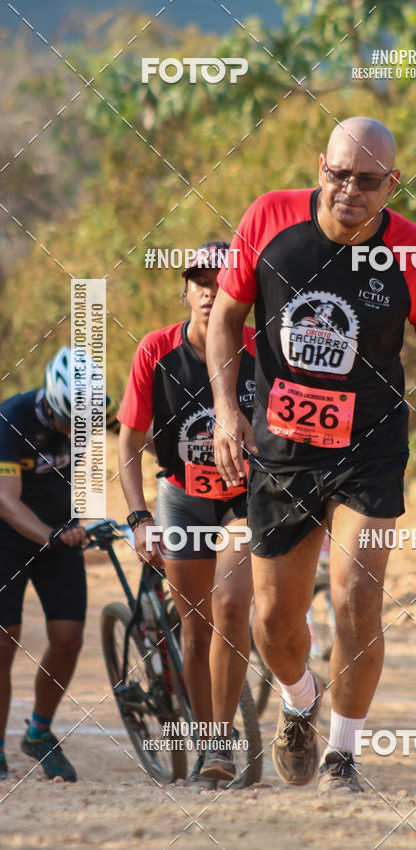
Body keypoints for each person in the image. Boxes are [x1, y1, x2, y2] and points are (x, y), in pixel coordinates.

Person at [207, 117, 416, 794]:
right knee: (272, 620)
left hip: (370, 448)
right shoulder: (268, 218)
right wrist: (230, 411)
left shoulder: (414, 252)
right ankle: (300, 701)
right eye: (339, 174)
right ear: (320, 165)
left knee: (356, 598)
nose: (350, 190)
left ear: (393, 184)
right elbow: (225, 319)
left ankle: (342, 757)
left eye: (368, 181)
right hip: (281, 447)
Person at [117, 241, 256, 788]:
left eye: (219, 282)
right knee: (195, 633)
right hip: (182, 495)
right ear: (186, 290)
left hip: (245, 496)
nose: (208, 292)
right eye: (199, 282)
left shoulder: (258, 347)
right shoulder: (155, 351)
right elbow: (128, 442)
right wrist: (138, 517)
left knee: (233, 602)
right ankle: (211, 747)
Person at [0, 347, 119, 782]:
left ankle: (38, 733)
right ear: (51, 401)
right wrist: (51, 535)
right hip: (8, 537)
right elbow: (7, 504)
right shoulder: (11, 419)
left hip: (61, 531)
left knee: (68, 640)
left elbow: (132, 436)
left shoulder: (86, 415)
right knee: (5, 639)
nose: (76, 431)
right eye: (69, 422)